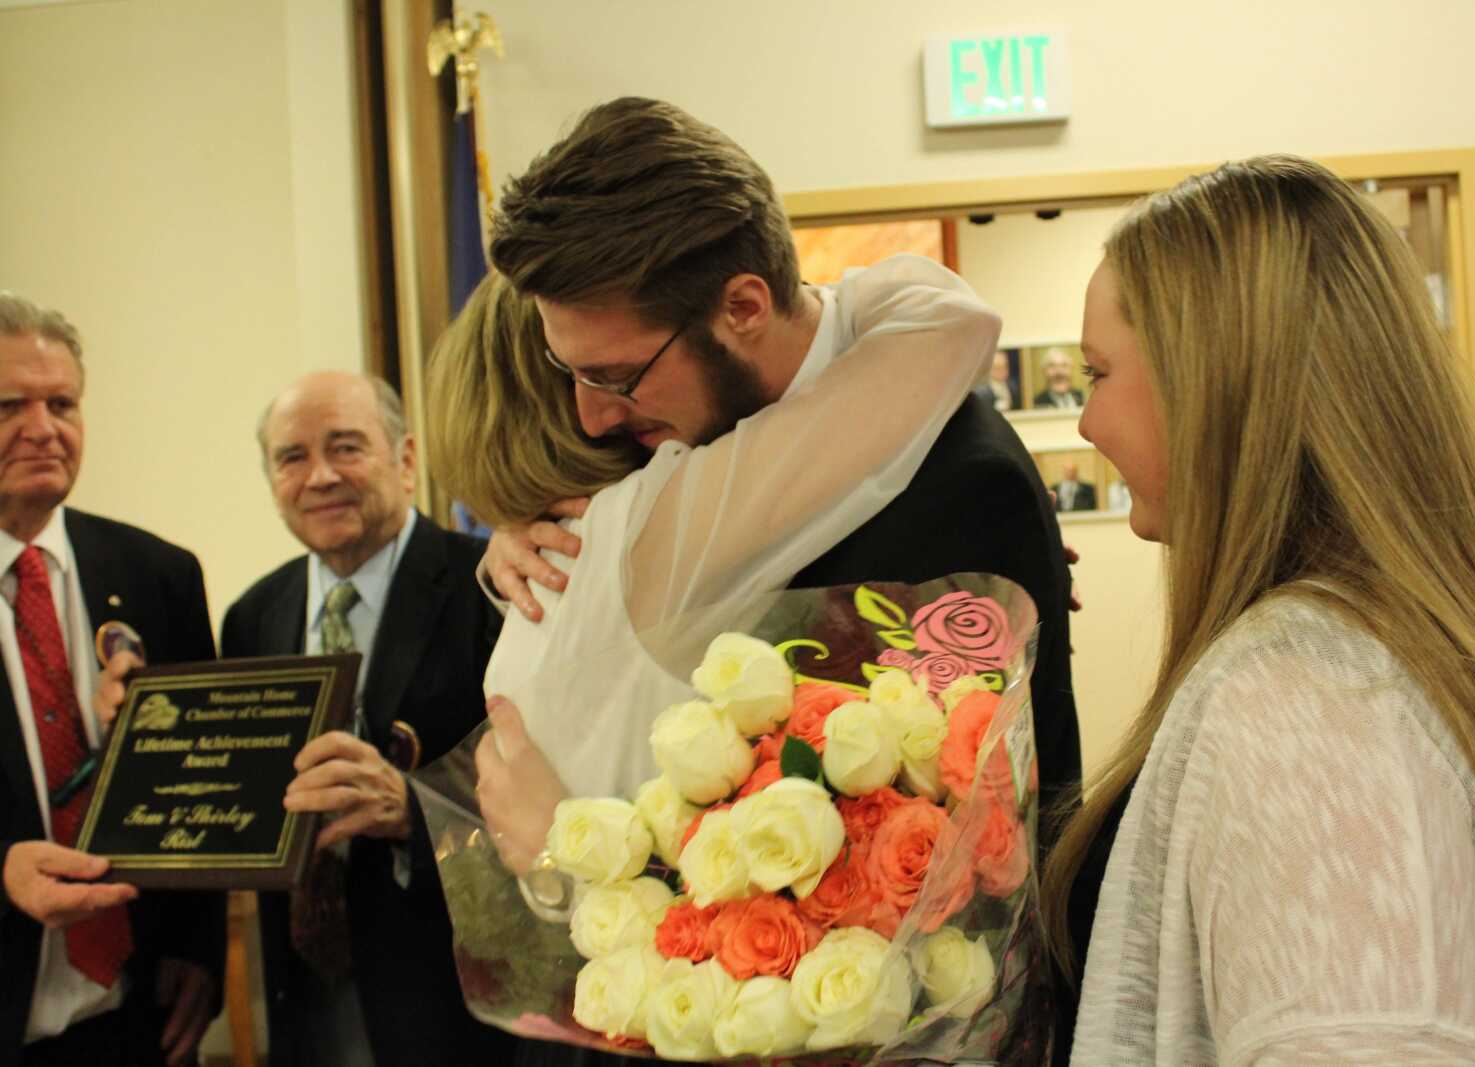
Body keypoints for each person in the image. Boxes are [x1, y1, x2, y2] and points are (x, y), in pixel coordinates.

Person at [1043, 156, 1475, 1064]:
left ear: (1207, 378)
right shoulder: (1356, 662)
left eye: (1098, 374)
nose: (1085, 424)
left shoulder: (1311, 700)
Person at [473, 96, 1078, 822]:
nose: (591, 418)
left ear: (744, 308)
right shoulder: (652, 461)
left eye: (618, 376)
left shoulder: (960, 481)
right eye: (569, 372)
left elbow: (986, 829)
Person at [216, 372, 511, 1067]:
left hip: (455, 999)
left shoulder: (491, 586)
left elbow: (559, 787)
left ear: (405, 459)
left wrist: (414, 811)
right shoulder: (253, 615)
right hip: (303, 996)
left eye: (345, 447)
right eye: (292, 457)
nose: (320, 476)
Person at [0, 294, 223, 1067]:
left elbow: (211, 775)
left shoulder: (157, 573)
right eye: (9, 405)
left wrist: (199, 948)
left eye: (62, 403)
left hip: (135, 1018)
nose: (43, 427)